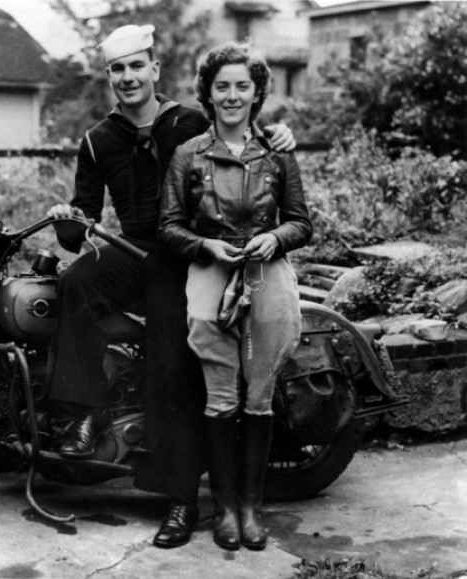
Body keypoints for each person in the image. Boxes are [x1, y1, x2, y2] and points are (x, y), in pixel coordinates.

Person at [46, 25, 296, 549]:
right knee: (75, 283)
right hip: (133, 246)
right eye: (118, 69)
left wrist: (278, 135)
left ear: (155, 69)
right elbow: (84, 225)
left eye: (138, 65)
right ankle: (84, 415)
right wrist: (67, 221)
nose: (128, 77)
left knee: (173, 362)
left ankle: (180, 500)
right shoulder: (98, 140)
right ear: (109, 76)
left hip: (183, 253)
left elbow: (240, 131)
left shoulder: (188, 121)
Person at [158, 42, 312, 551]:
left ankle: (251, 509)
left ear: (256, 92)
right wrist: (205, 244)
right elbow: (168, 227)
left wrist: (277, 237)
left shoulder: (277, 153)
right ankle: (225, 509)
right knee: (221, 397)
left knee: (260, 397)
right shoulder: (189, 154)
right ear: (207, 92)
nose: (231, 95)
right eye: (221, 86)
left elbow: (301, 222)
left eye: (241, 86)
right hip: (211, 273)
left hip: (267, 274)